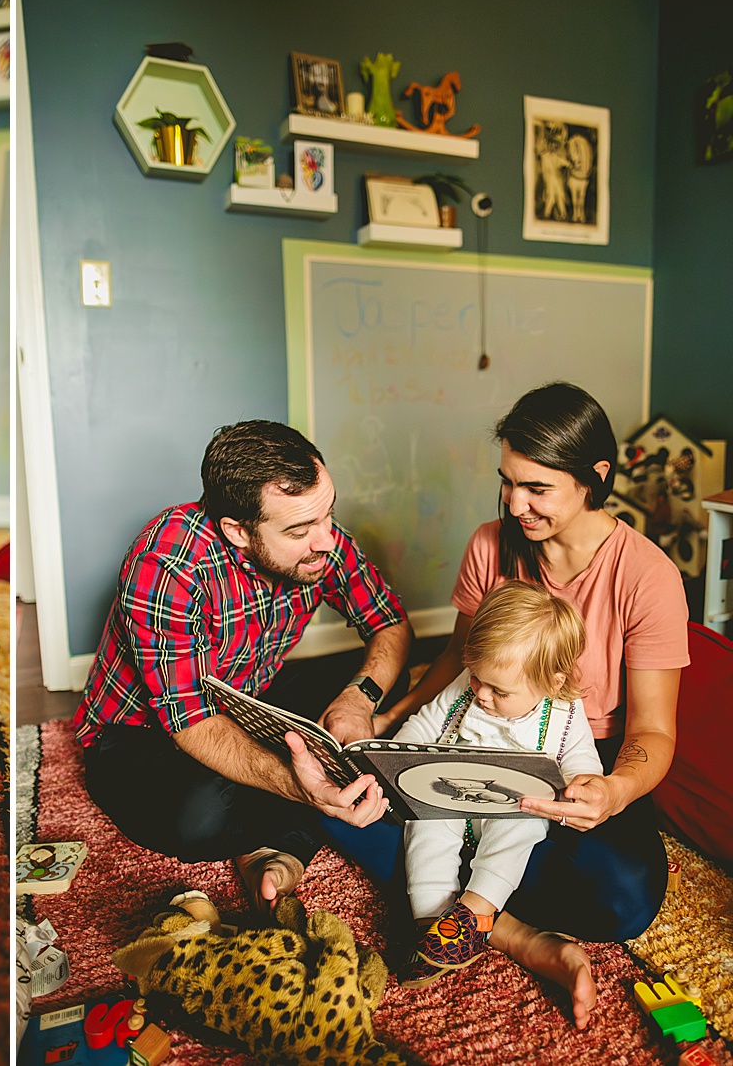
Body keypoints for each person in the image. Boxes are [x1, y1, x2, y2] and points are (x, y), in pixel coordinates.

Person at [351, 381, 687, 1027]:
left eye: (537, 488)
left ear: (596, 477)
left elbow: (654, 729)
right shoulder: (490, 543)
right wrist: (393, 722)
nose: (515, 503)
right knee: (344, 794)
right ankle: (506, 929)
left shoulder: (648, 576)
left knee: (626, 899)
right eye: (507, 482)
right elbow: (457, 665)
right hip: (470, 734)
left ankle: (474, 901)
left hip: (574, 756)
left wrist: (612, 792)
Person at [74, 420, 410, 916]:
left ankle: (281, 830)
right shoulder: (167, 563)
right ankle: (286, 840)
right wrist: (299, 784)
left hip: (248, 699)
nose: (327, 541)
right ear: (237, 530)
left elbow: (390, 623)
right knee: (199, 820)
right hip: (142, 735)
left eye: (328, 516)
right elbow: (190, 724)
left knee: (384, 683)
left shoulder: (320, 538)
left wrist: (358, 698)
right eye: (299, 530)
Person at [393, 581, 602, 990]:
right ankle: (432, 924)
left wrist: (583, 784)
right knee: (425, 827)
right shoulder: (467, 689)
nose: (482, 695)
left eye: (499, 690)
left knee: (520, 829)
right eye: (476, 679)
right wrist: (400, 754)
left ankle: (478, 910)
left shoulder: (563, 713)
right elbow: (424, 722)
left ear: (553, 683)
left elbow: (581, 758)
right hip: (451, 795)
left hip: (514, 807)